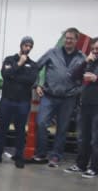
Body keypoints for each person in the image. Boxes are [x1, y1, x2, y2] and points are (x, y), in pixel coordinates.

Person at [33, 27, 86, 167]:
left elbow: (86, 79)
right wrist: (37, 84)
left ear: (76, 40)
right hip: (49, 96)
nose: (68, 40)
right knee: (41, 123)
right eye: (66, 38)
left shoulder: (82, 58)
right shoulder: (52, 53)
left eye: (71, 38)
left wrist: (77, 90)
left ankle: (55, 156)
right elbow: (36, 67)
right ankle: (41, 153)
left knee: (62, 128)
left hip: (69, 99)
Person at [0, 36, 38, 168]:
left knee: (20, 130)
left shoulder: (33, 64)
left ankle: (19, 156)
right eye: (26, 45)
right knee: (2, 129)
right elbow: (5, 74)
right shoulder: (9, 60)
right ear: (21, 45)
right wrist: (19, 64)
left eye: (30, 46)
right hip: (7, 101)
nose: (27, 48)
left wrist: (14, 75)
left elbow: (30, 80)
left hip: (23, 102)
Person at [64, 37, 98, 179]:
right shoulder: (90, 61)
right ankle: (81, 164)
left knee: (95, 139)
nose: (95, 51)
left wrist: (96, 78)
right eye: (93, 49)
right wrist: (85, 61)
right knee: (83, 137)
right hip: (85, 105)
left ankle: (94, 168)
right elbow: (74, 76)